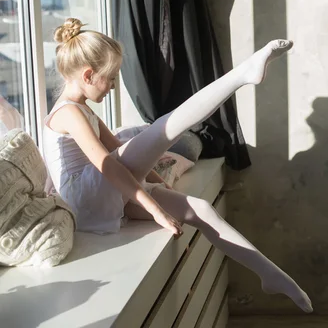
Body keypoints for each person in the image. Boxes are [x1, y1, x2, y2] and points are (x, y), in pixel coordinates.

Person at [42, 18, 312, 313]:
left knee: (201, 210)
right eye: (111, 78)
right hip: (86, 196)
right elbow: (106, 163)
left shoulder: (82, 109)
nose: (113, 86)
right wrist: (155, 209)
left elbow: (119, 151)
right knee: (163, 129)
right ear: (89, 75)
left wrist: (156, 181)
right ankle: (241, 75)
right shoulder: (68, 113)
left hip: (97, 193)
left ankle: (269, 274)